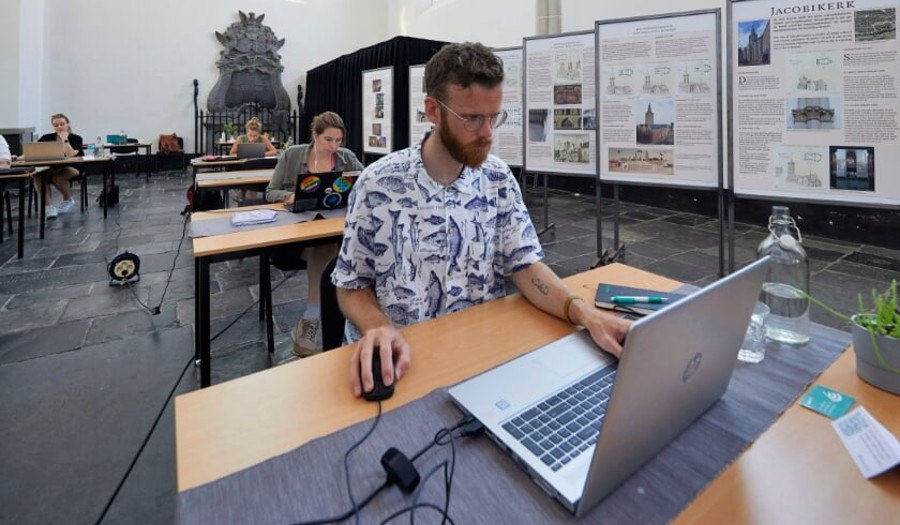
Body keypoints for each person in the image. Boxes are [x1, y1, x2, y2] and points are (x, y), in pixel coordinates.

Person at [332, 42, 630, 397]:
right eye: (472, 119)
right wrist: (377, 326)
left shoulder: (498, 179)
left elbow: (526, 266)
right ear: (432, 109)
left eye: (494, 117)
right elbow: (350, 284)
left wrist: (585, 314)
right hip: (401, 365)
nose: (487, 133)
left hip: (479, 361)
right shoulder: (379, 184)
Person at [265, 111, 364, 357]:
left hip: (331, 229)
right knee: (326, 249)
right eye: (328, 140)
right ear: (314, 135)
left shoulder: (346, 157)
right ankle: (319, 318)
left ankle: (316, 318)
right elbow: (270, 191)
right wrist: (289, 197)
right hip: (293, 236)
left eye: (338, 140)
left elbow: (366, 182)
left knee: (329, 246)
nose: (334, 146)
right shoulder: (292, 155)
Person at [37, 113, 83, 219]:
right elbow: (35, 151)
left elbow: (71, 154)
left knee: (58, 176)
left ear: (67, 124)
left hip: (73, 167)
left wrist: (64, 140)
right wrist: (17, 157)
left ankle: (68, 199)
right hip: (52, 166)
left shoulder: (76, 138)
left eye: (62, 124)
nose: (59, 127)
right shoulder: (46, 137)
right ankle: (49, 207)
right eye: (56, 125)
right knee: (38, 175)